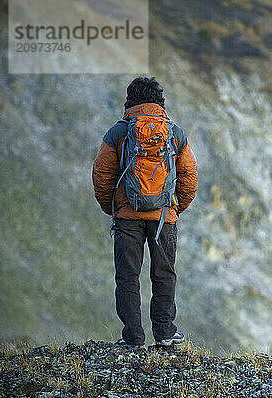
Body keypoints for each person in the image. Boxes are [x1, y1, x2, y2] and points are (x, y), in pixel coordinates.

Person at [92, 77, 198, 348]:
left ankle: (133, 337)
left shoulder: (117, 133)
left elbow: (102, 175)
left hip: (127, 217)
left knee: (128, 276)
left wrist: (114, 209)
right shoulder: (174, 133)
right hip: (164, 217)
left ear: (130, 101)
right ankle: (165, 333)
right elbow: (189, 176)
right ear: (159, 101)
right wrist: (174, 207)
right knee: (164, 273)